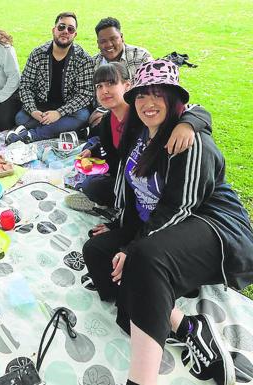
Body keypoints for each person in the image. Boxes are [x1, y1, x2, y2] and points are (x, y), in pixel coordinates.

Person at [82, 60, 253, 385]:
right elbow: (133, 190)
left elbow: (179, 207)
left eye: (159, 95)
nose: (149, 102)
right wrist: (122, 229)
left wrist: (133, 248)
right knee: (97, 253)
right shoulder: (139, 133)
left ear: (176, 101)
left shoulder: (191, 142)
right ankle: (185, 326)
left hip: (212, 229)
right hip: (162, 230)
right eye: (142, 95)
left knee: (142, 258)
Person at [68, 62, 211, 209]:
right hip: (121, 172)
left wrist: (187, 124)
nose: (104, 91)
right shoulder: (105, 121)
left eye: (111, 83)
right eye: (99, 86)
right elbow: (110, 146)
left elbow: (194, 109)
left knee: (91, 185)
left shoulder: (144, 115)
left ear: (127, 86)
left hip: (143, 181)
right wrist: (94, 150)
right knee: (88, 147)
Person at [6, 12, 93, 144]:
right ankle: (72, 130)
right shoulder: (37, 54)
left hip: (68, 107)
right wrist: (33, 110)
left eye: (70, 29)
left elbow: (85, 94)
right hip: (42, 105)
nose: (65, 31)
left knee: (83, 115)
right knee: (20, 118)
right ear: (54, 30)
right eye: (61, 27)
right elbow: (25, 85)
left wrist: (59, 113)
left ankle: (32, 134)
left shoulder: (83, 59)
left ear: (74, 35)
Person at [88, 17, 153, 129]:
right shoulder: (92, 64)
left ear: (122, 37)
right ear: (98, 44)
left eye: (113, 39)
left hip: (137, 109)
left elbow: (152, 90)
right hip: (106, 110)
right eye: (103, 41)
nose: (109, 44)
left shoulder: (141, 57)